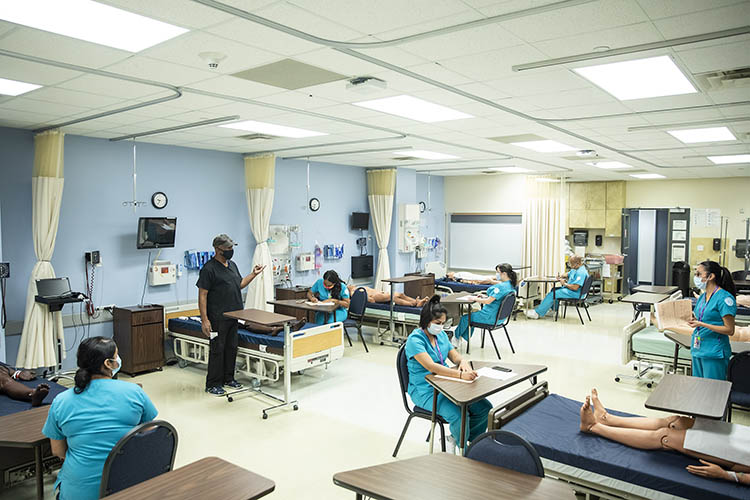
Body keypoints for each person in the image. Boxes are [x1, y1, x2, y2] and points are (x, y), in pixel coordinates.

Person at [42, 337, 158, 500]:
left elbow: (58, 451)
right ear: (108, 364)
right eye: (116, 356)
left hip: (79, 492)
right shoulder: (134, 392)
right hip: (129, 487)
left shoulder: (61, 401)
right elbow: (150, 437)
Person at [580, 388, 749, 485]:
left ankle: (593, 427)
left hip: (738, 455)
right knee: (676, 421)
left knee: (665, 436)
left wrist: (726, 475)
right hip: (742, 436)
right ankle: (607, 418)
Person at [405, 296, 491, 452]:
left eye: (443, 323)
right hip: (425, 389)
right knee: (458, 415)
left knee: (484, 407)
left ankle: (463, 441)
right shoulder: (415, 340)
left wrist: (462, 362)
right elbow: (431, 367)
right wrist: (460, 376)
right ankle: (463, 449)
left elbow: (453, 354)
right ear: (426, 321)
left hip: (446, 382)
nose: (441, 327)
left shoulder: (441, 335)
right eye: (437, 323)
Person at [197, 234, 265, 396]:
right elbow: (202, 295)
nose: (231, 251)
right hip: (217, 317)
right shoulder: (209, 269)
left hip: (233, 316)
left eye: (232, 248)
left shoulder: (232, 265)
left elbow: (239, 284)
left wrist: (253, 274)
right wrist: (204, 320)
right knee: (217, 350)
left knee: (231, 348)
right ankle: (213, 383)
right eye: (228, 248)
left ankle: (229, 378)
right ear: (217, 249)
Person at [688, 260, 736, 380]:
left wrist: (702, 324)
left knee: (713, 393)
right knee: (699, 388)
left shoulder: (724, 298)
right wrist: (694, 319)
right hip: (698, 348)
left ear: (711, 276)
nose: (696, 277)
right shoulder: (702, 297)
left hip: (714, 352)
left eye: (699, 274)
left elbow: (730, 330)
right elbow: (702, 316)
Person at [454, 263, 517, 343]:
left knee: (465, 318)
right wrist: (484, 297)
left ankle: (455, 339)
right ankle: (462, 337)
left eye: (498, 272)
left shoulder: (501, 287)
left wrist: (474, 298)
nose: (496, 274)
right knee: (472, 315)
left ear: (504, 273)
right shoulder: (510, 285)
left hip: (490, 317)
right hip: (500, 319)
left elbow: (488, 301)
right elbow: (497, 299)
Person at [526, 255, 588, 319]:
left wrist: (564, 284)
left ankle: (537, 313)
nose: (570, 265)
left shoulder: (581, 272)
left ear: (577, 263)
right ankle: (554, 311)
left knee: (552, 294)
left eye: (571, 264)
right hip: (572, 291)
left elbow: (575, 287)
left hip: (576, 293)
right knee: (553, 290)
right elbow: (568, 274)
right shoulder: (576, 269)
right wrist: (561, 276)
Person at [346, 284, 429, 307]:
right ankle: (413, 304)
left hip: (380, 292)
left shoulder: (356, 288)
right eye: (348, 285)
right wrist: (371, 300)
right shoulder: (353, 292)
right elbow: (369, 299)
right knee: (394, 297)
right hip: (377, 296)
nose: (350, 284)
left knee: (401, 294)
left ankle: (416, 302)